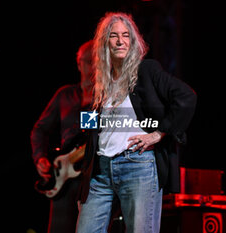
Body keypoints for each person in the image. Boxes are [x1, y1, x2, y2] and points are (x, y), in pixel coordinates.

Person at [75, 12, 197, 233]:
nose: (120, 41)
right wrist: (84, 183)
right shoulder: (100, 82)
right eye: (113, 36)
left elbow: (187, 97)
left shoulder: (147, 71)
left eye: (125, 35)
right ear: (105, 42)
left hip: (137, 165)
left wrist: (159, 133)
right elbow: (92, 131)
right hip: (100, 173)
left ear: (133, 41)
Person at [30, 40, 94, 233]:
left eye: (99, 62)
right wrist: (40, 157)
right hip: (63, 179)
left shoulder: (104, 98)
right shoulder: (65, 95)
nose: (94, 67)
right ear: (79, 63)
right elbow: (40, 129)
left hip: (91, 178)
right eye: (89, 61)